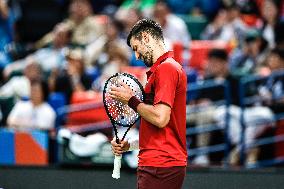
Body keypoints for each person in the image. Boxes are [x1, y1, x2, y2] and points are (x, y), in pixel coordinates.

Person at [110, 18, 187, 189]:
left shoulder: (166, 69)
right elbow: (159, 130)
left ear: (146, 38)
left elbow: (160, 118)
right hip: (159, 164)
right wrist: (129, 145)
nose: (136, 56)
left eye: (136, 48)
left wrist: (131, 100)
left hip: (161, 165)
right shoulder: (162, 70)